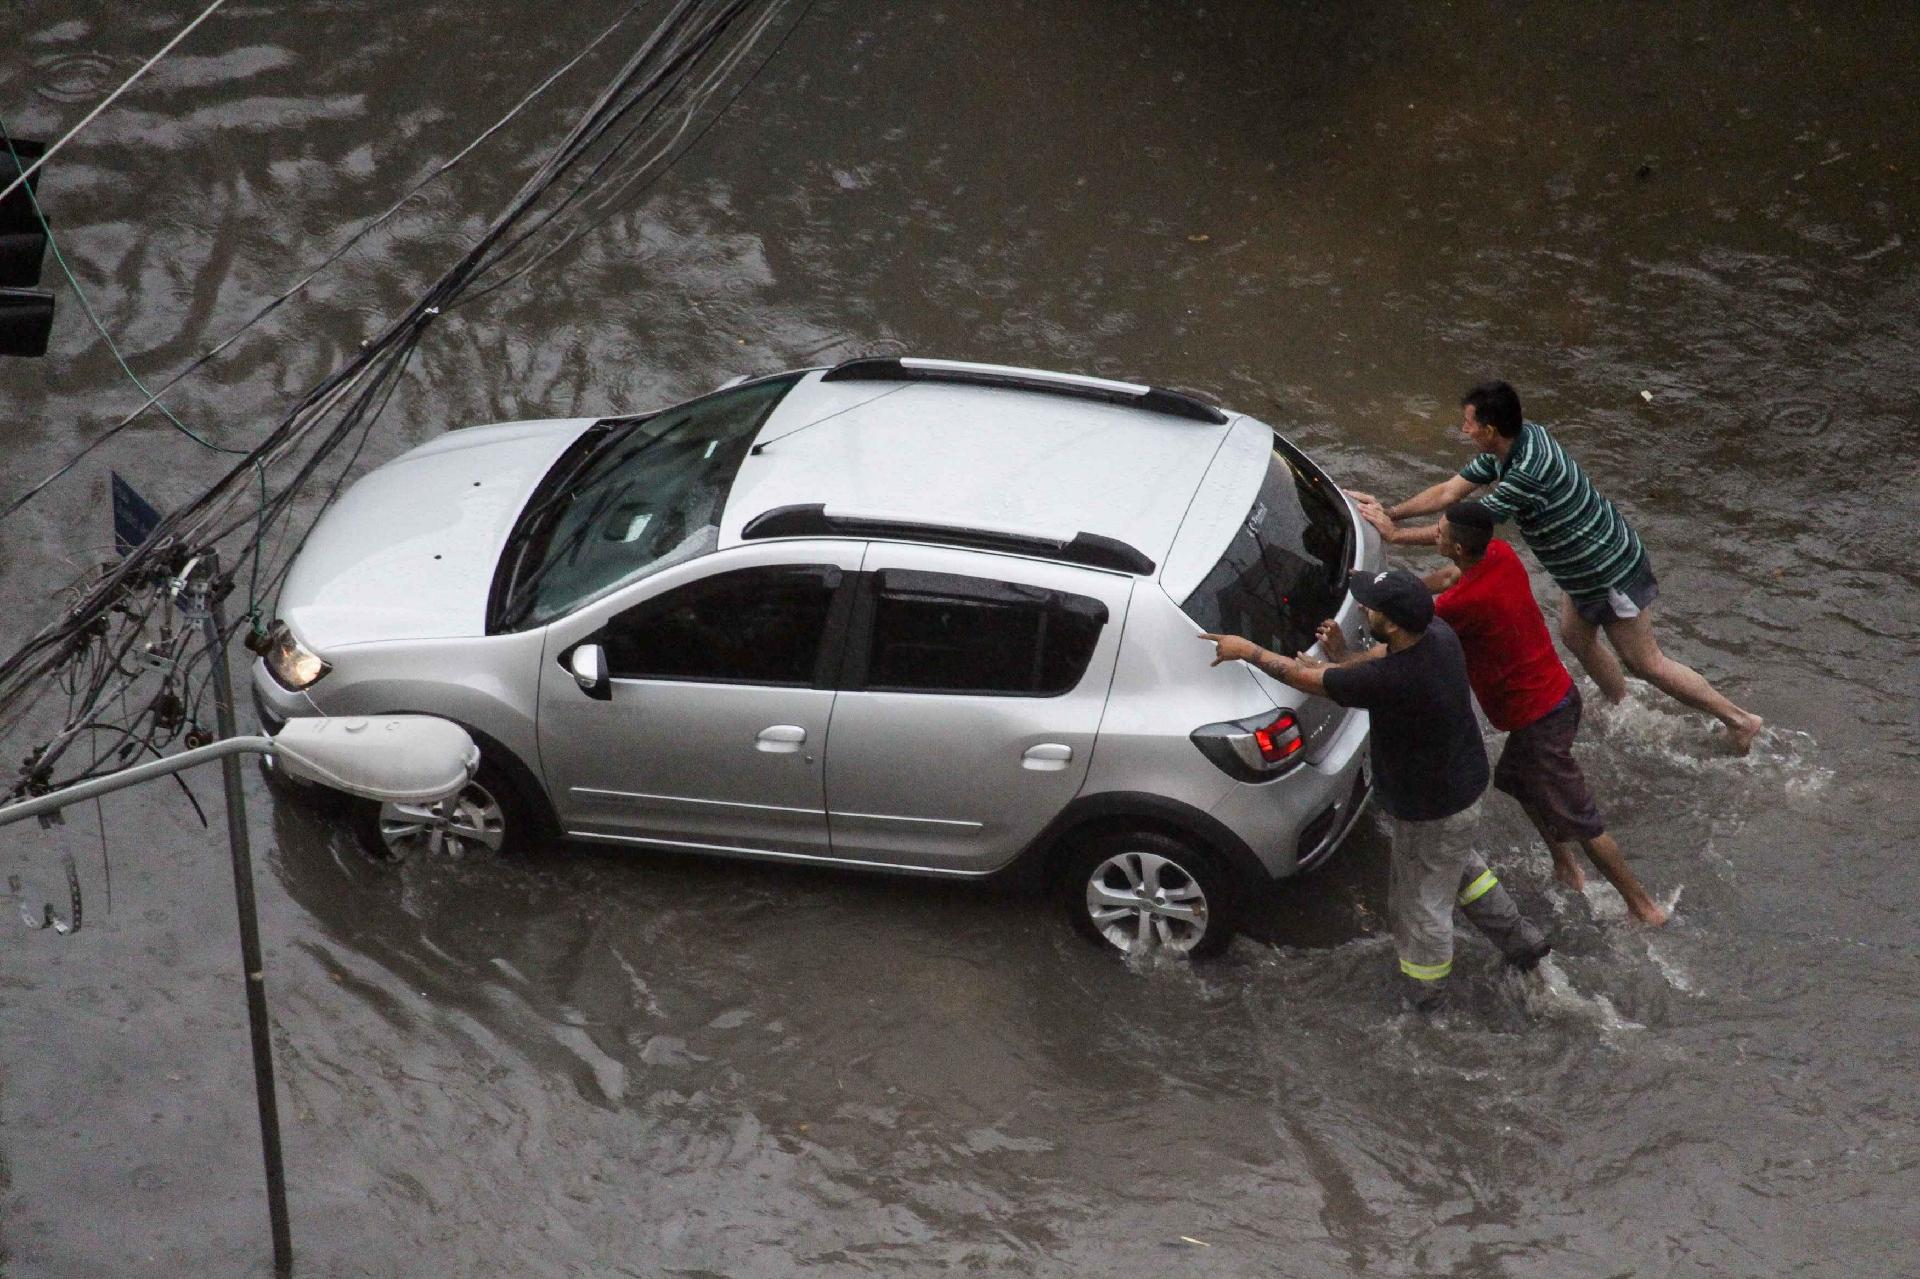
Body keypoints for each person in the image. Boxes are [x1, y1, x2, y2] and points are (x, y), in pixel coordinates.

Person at [1348, 380, 1764, 755]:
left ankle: (1739, 720)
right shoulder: (1515, 444)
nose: (1463, 431)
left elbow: (1458, 530)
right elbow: (1449, 491)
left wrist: (1394, 535)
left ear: (1491, 430)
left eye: (1468, 424)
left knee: (1646, 662)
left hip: (1607, 569)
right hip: (1579, 569)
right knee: (1574, 636)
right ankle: (1622, 703)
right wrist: (1392, 513)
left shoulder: (1527, 473)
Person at [1200, 568, 1549, 1010]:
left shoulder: (1395, 679)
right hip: (1461, 792)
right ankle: (1522, 943)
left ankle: (1427, 999)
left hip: (1430, 809)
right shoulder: (1438, 636)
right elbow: (1381, 657)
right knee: (1458, 868)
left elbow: (1304, 679)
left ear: (1396, 622)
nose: (1362, 607)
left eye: (1372, 606)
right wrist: (1342, 658)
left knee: (1420, 907)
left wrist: (1247, 649)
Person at [1321, 501, 1666, 925]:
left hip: (1541, 715)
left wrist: (1342, 658)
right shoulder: (1499, 554)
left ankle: (1643, 907)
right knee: (1517, 779)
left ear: (1460, 547)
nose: (1435, 535)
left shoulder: (1462, 605)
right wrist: (1409, 589)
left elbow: (1394, 648)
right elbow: (1448, 577)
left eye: (1441, 532)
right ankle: (1567, 867)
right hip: (1554, 697)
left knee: (1581, 819)